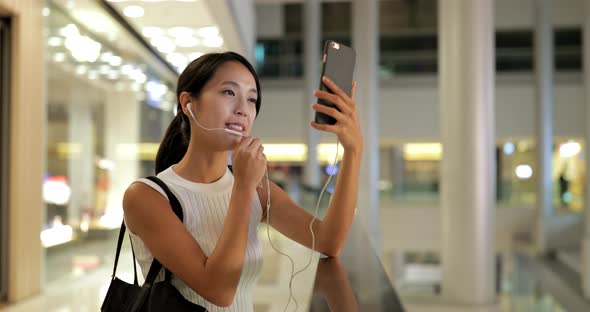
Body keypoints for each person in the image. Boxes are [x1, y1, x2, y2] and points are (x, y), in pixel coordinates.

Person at [122, 52, 363, 310]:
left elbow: (328, 242)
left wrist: (354, 150)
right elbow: (219, 290)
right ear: (188, 103)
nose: (242, 110)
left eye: (251, 99)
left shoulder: (255, 188)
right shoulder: (147, 196)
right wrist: (244, 187)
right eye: (228, 93)